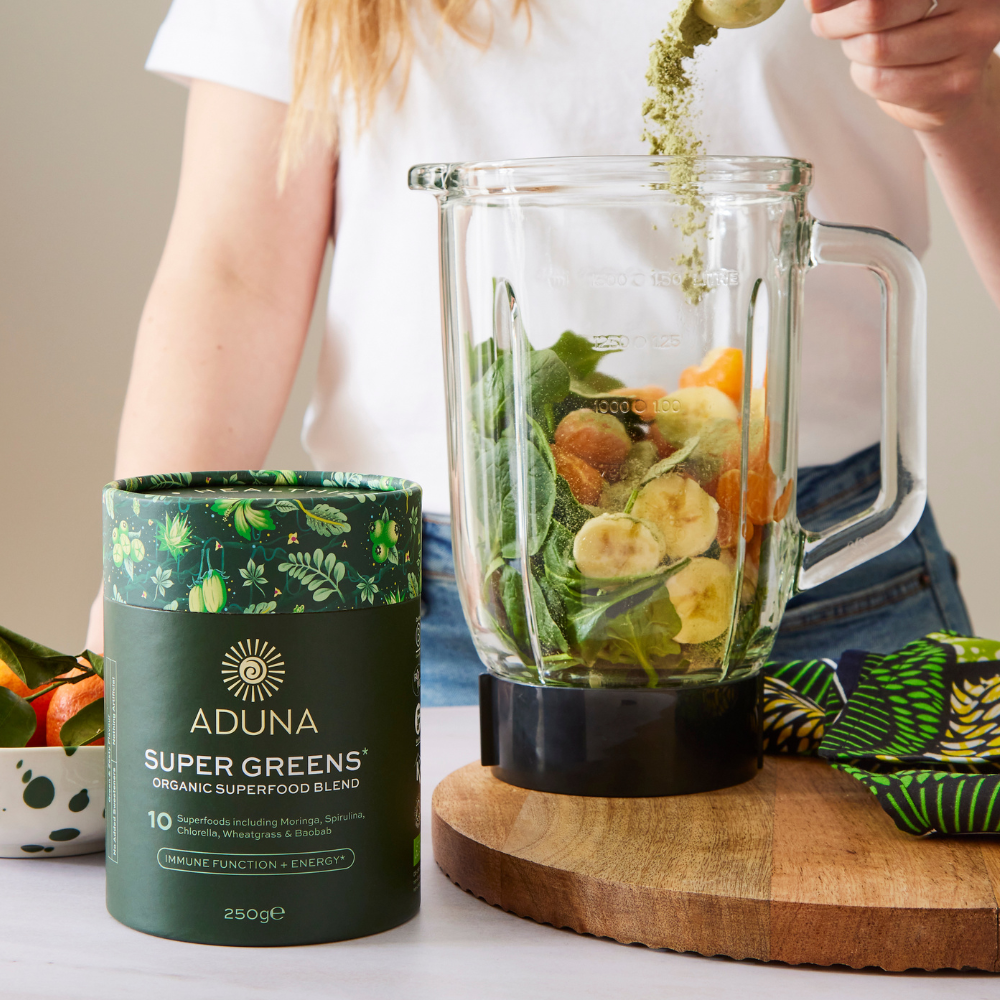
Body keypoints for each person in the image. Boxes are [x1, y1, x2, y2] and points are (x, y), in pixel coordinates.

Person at [87, 0, 1000, 703]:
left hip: (818, 580)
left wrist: (963, 91)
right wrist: (146, 589)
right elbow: (233, 272)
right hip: (436, 611)